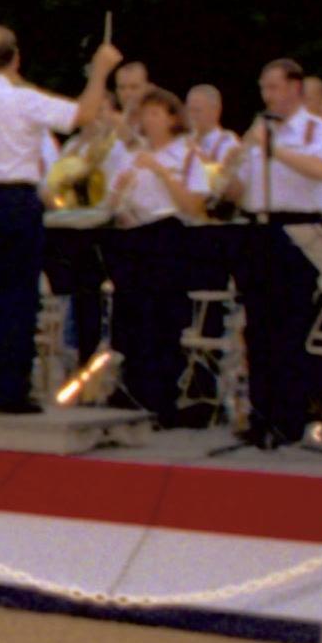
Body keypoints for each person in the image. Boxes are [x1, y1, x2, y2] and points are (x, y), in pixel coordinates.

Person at [0, 24, 120, 413]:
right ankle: (11, 389)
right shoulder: (23, 99)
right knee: (18, 296)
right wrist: (101, 69)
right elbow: (83, 113)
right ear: (16, 58)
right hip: (15, 199)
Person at [219, 59, 322, 448]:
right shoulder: (259, 131)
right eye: (264, 88)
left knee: (289, 324)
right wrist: (228, 177)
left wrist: (274, 150)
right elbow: (242, 187)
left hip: (298, 228)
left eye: (274, 87)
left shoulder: (313, 128)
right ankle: (260, 413)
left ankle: (288, 418)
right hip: (259, 227)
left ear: (294, 88)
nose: (267, 95)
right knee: (258, 326)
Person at [104, 88, 211, 423]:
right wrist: (119, 194)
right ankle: (133, 390)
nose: (148, 121)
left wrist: (163, 172)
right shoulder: (131, 154)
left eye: (154, 114)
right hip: (133, 235)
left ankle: (162, 397)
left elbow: (195, 205)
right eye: (144, 115)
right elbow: (112, 202)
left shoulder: (187, 153)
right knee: (132, 316)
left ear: (171, 118)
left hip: (168, 234)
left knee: (162, 317)